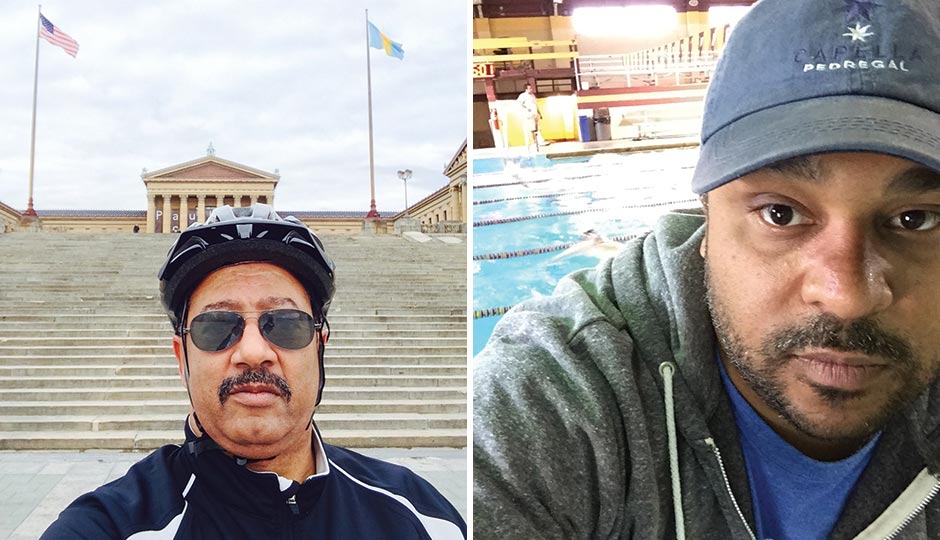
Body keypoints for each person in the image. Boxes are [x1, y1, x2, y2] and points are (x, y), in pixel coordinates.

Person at [474, 1, 940, 539]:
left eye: (916, 219)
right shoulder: (549, 402)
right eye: (780, 214)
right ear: (706, 220)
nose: (846, 295)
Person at [42, 204, 466, 539]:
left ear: (320, 347)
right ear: (181, 358)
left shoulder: (422, 517)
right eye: (216, 327)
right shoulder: (109, 526)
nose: (253, 351)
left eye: (284, 324)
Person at [516, 83, 541, 151]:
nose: (531, 89)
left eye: (531, 88)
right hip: (529, 115)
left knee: (537, 128)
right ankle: (534, 142)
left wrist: (539, 113)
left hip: (535, 114)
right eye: (529, 88)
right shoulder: (523, 96)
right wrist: (526, 108)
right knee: (532, 129)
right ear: (526, 89)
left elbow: (536, 105)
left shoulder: (533, 96)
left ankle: (538, 141)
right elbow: (519, 104)